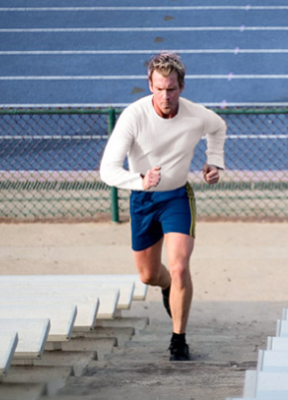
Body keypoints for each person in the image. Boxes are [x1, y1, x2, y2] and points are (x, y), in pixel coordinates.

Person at [99, 52, 226, 361]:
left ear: (181, 86)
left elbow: (218, 127)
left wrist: (215, 162)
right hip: (143, 200)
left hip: (177, 197)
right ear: (149, 85)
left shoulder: (197, 114)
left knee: (181, 266)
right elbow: (107, 170)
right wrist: (140, 180)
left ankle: (178, 340)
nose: (165, 96)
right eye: (158, 88)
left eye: (171, 88)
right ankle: (166, 283)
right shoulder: (134, 116)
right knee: (148, 275)